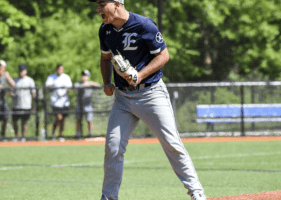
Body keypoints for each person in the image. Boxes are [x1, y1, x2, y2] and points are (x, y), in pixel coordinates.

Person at [89, 0, 207, 199]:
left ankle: (197, 194)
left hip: (151, 94)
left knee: (172, 144)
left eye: (102, 3)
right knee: (113, 147)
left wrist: (140, 75)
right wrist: (106, 82)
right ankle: (108, 197)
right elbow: (105, 58)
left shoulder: (143, 24)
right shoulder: (105, 30)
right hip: (123, 98)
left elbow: (163, 55)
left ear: (117, 3)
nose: (98, 8)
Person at [45, 64, 72, 141]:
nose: (61, 70)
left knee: (62, 119)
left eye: (62, 69)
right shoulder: (51, 77)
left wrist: (66, 89)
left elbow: (69, 89)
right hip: (55, 102)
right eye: (59, 69)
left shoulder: (66, 77)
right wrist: (54, 86)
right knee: (58, 117)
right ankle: (53, 133)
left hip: (64, 102)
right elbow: (47, 86)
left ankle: (60, 134)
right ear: (56, 70)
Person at [9, 64, 36, 142]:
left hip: (26, 105)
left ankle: (23, 136)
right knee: (15, 121)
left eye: (23, 70)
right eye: (20, 70)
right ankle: (16, 136)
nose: (21, 72)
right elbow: (11, 91)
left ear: (26, 71)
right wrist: (13, 95)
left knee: (24, 122)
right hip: (16, 104)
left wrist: (33, 102)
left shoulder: (30, 80)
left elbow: (33, 93)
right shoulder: (14, 80)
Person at [74, 70, 101, 138]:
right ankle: (78, 134)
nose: (84, 77)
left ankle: (90, 134)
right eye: (83, 75)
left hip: (88, 104)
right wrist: (83, 84)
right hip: (79, 104)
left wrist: (91, 83)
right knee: (78, 119)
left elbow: (99, 86)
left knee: (89, 119)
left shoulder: (90, 83)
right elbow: (74, 89)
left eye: (85, 75)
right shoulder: (78, 83)